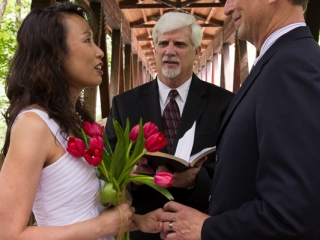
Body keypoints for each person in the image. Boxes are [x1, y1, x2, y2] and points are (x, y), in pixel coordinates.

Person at [0, 2, 163, 240]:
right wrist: (101, 227)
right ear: (55, 54)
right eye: (88, 40)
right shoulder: (33, 125)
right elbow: (8, 234)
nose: (100, 52)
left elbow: (84, 210)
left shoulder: (74, 122)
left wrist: (139, 221)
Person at [159, 0, 320, 239]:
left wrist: (207, 229)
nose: (226, 8)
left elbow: (293, 213)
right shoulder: (281, 60)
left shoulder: (291, 66)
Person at [105, 12, 234, 240]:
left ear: (195, 50)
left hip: (199, 227)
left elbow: (233, 166)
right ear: (154, 48)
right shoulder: (124, 104)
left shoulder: (224, 103)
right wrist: (131, 177)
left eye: (180, 44)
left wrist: (197, 180)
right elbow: (108, 168)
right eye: (163, 43)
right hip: (142, 228)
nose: (170, 51)